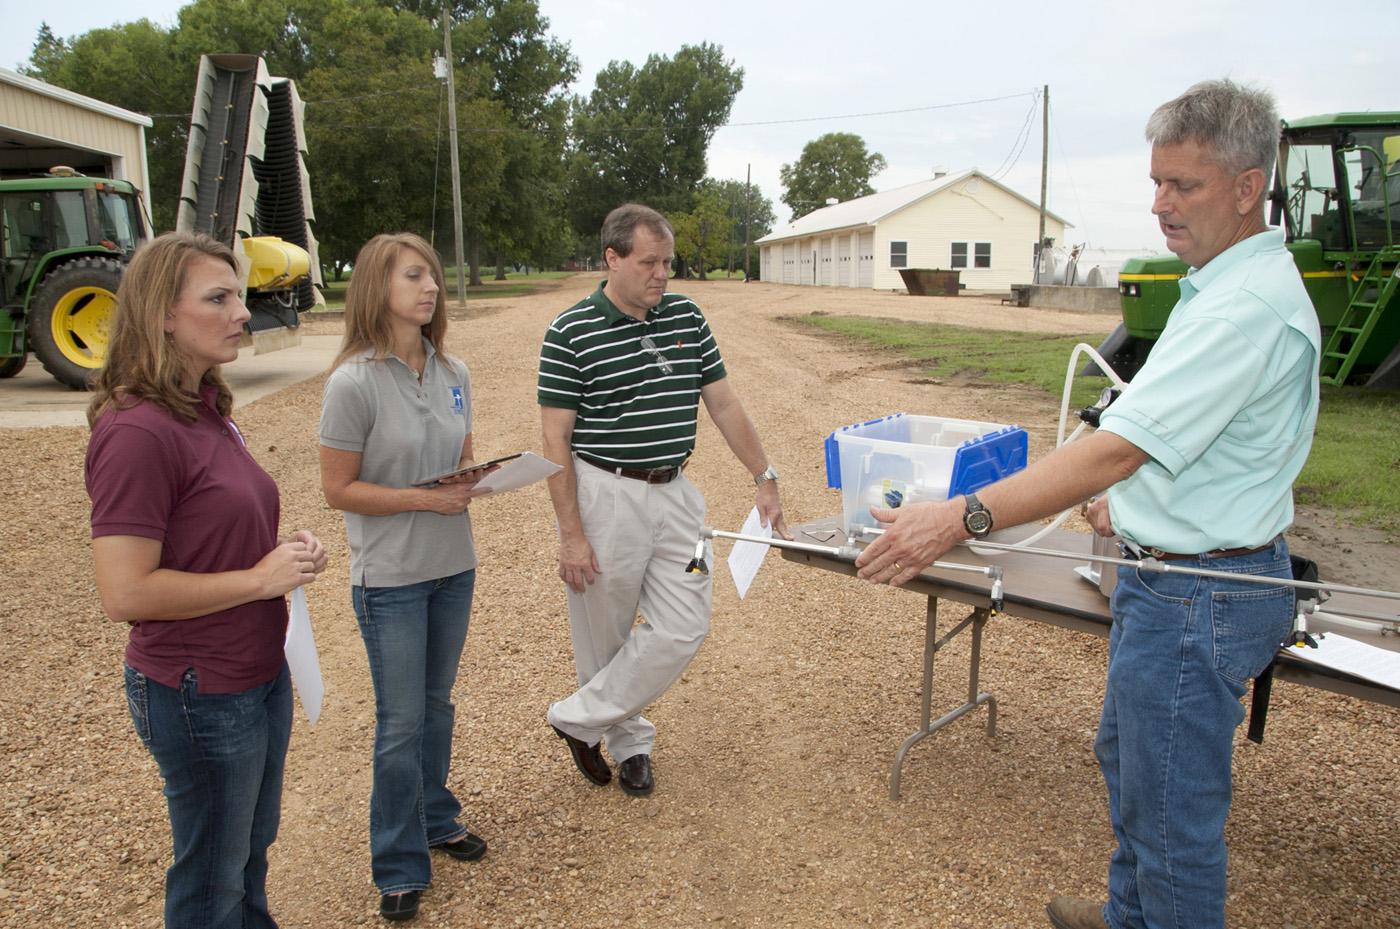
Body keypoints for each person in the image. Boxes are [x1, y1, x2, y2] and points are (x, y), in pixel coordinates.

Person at [855, 79, 1320, 929]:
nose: (1160, 205)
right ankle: (1127, 913)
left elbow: (1112, 446)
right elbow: (1175, 439)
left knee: (1173, 813)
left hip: (1199, 592)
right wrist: (1129, 499)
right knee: (1132, 761)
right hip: (1175, 575)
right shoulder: (1216, 282)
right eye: (1156, 182)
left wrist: (952, 518)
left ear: (1248, 187)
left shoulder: (1243, 308)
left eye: (1184, 186)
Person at [85, 231, 328, 929]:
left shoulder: (204, 406)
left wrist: (280, 553)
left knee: (247, 851)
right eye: (217, 298)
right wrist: (258, 578)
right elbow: (124, 593)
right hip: (199, 689)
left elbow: (209, 535)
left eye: (239, 296)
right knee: (210, 879)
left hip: (254, 671)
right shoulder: (138, 429)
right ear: (163, 312)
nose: (242, 312)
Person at [537, 202, 791, 797]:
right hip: (606, 494)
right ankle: (630, 744)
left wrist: (765, 474)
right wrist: (571, 534)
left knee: (685, 624)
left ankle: (577, 719)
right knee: (606, 634)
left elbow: (723, 404)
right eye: (649, 262)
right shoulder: (570, 331)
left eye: (667, 263)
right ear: (612, 258)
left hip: (676, 494)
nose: (661, 275)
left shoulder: (687, 316)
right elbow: (555, 442)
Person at [319, 233, 495, 922]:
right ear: (376, 286)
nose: (431, 288)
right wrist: (427, 497)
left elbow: (463, 456)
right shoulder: (352, 381)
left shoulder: (454, 370)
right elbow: (339, 489)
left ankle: (435, 816)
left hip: (454, 566)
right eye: (414, 275)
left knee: (438, 703)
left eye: (434, 277)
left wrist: (481, 476)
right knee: (400, 722)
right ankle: (396, 861)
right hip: (390, 578)